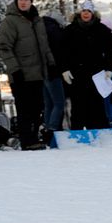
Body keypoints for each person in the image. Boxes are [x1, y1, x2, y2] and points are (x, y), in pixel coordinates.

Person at [0, 0, 56, 150]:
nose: (23, 2)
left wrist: (50, 64)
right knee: (24, 108)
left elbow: (44, 46)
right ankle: (27, 140)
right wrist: (14, 68)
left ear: (31, 2)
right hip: (20, 74)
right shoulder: (10, 21)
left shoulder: (37, 20)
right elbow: (4, 46)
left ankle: (34, 136)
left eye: (26, 0)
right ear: (17, 1)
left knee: (38, 107)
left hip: (37, 73)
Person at [60, 0, 112, 130]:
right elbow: (62, 52)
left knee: (96, 107)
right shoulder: (70, 30)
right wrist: (64, 69)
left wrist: (109, 69)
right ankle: (77, 136)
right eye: (83, 11)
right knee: (78, 107)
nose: (86, 14)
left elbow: (111, 50)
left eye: (88, 11)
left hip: (97, 75)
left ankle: (99, 134)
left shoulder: (101, 30)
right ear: (79, 13)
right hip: (77, 74)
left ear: (93, 13)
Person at [41, 9, 67, 141]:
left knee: (49, 103)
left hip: (43, 71)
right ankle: (52, 129)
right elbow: (59, 51)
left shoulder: (41, 28)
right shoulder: (54, 30)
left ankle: (47, 127)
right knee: (59, 103)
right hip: (53, 71)